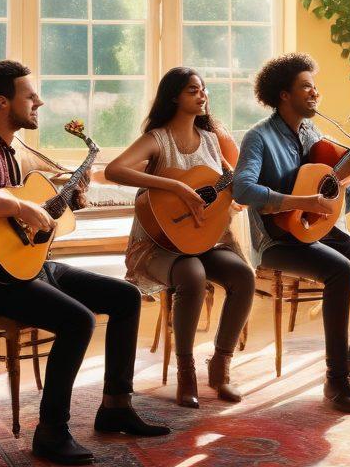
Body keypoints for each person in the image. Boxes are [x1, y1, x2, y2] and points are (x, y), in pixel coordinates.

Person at [0, 60, 169, 466]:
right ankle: (50, 432)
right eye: (30, 95)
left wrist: (69, 202)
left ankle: (115, 406)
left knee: (125, 297)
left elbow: (33, 227)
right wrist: (18, 205)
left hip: (27, 268)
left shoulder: (14, 151)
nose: (39, 102)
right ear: (2, 102)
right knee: (78, 320)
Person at [232, 53, 350, 415]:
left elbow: (331, 208)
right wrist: (299, 199)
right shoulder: (258, 138)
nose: (315, 92)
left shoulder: (315, 137)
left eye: (315, 86)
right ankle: (336, 379)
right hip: (279, 242)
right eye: (306, 86)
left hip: (325, 236)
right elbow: (242, 190)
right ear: (284, 94)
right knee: (340, 270)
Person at [105, 68, 255, 408]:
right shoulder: (158, 139)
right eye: (193, 90)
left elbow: (229, 184)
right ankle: (185, 372)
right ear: (174, 96)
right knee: (192, 274)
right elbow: (114, 169)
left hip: (205, 239)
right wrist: (175, 185)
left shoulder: (213, 141)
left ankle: (221, 366)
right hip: (158, 244)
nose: (202, 96)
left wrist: (236, 195)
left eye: (203, 90)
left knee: (243, 276)